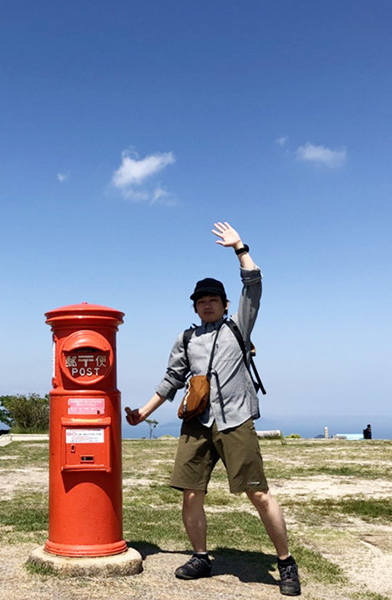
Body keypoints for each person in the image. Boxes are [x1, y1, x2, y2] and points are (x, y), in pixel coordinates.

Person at [125, 222, 300, 596]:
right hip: (197, 421)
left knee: (259, 493)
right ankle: (201, 556)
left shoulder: (239, 328)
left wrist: (240, 248)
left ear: (223, 304)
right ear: (195, 306)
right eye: (200, 301)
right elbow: (171, 379)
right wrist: (143, 411)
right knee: (191, 493)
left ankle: (285, 562)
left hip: (236, 419)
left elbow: (253, 284)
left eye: (212, 300)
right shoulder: (186, 339)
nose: (206, 305)